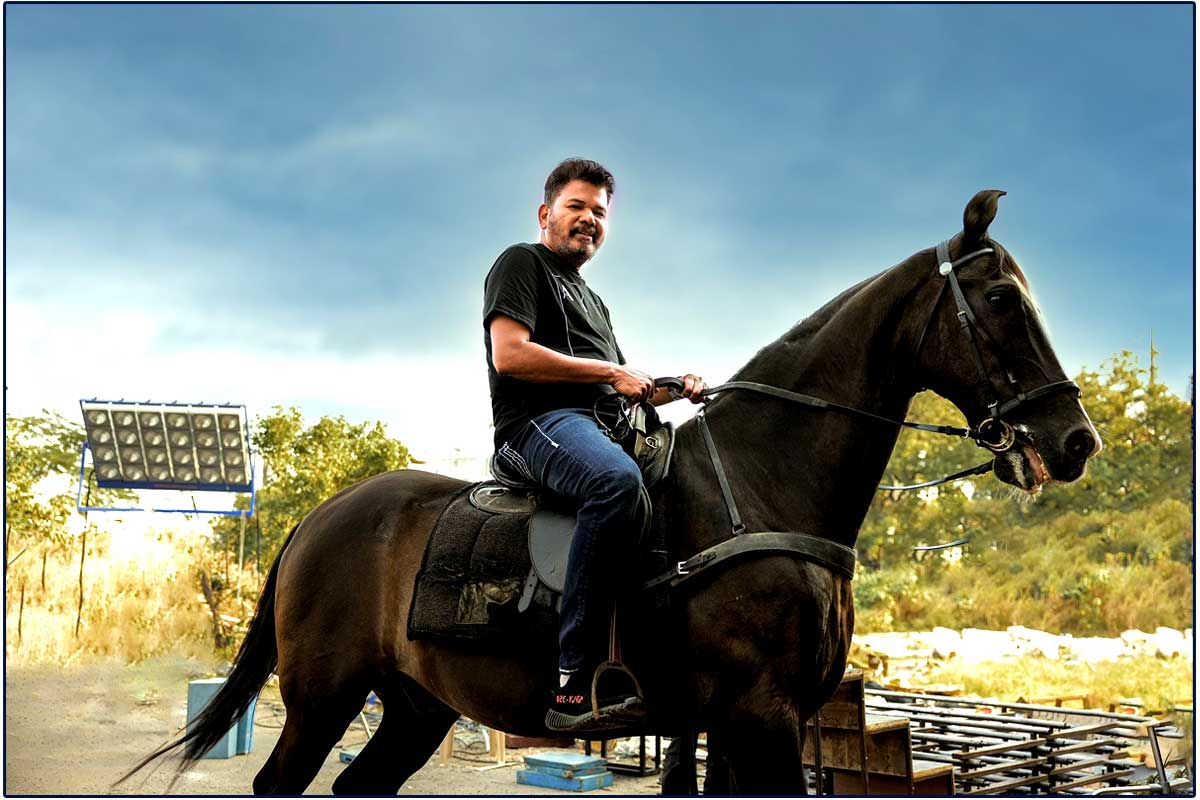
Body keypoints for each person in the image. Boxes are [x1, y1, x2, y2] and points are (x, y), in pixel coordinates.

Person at [482, 158, 705, 732]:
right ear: (545, 213)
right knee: (615, 481)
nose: (588, 219)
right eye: (576, 207)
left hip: (597, 425)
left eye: (599, 212)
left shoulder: (592, 300)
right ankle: (574, 681)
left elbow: (621, 387)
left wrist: (674, 388)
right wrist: (609, 370)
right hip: (537, 424)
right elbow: (511, 354)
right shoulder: (521, 263)